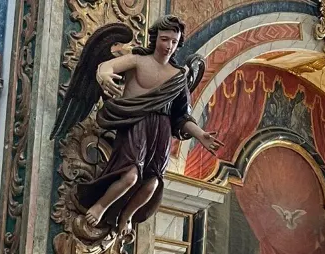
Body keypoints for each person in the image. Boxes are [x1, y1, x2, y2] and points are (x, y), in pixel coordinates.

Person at [71, 15, 224, 235]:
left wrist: (200, 134)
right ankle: (101, 206)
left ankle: (127, 216)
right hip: (136, 122)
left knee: (152, 183)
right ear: (155, 38)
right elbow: (107, 66)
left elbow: (181, 116)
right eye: (164, 39)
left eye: (174, 41)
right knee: (130, 175)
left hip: (161, 130)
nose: (169, 46)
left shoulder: (179, 76)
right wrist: (104, 75)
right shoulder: (138, 60)